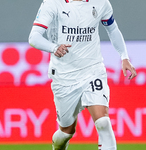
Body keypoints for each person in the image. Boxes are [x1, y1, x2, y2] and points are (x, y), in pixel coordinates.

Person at [29, 0, 137, 149]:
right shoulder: (53, 3)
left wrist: (124, 57)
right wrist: (54, 47)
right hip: (64, 76)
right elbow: (34, 37)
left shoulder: (101, 3)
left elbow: (113, 29)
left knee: (103, 122)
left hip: (93, 71)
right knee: (66, 131)